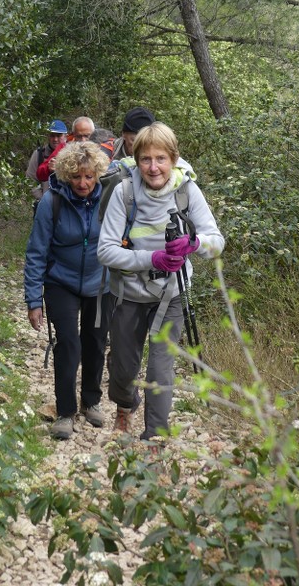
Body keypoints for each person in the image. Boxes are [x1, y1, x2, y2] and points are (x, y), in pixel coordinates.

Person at [97, 122, 225, 441]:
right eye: (145, 159)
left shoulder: (186, 190)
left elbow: (216, 240)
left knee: (160, 370)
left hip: (172, 295)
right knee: (124, 372)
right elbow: (105, 251)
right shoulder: (125, 192)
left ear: (173, 158)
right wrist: (151, 259)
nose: (153, 167)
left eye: (161, 159)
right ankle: (125, 405)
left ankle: (156, 436)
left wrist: (194, 243)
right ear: (136, 159)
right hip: (128, 295)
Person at [24, 141, 111, 440]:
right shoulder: (53, 202)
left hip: (100, 282)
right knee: (69, 344)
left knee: (96, 342)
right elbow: (36, 251)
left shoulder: (110, 200)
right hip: (60, 281)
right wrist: (34, 299)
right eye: (76, 177)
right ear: (66, 175)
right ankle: (64, 411)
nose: (83, 183)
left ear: (98, 174)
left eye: (89, 177)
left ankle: (91, 400)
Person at [25, 120, 68, 202]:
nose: (55, 139)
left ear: (66, 136)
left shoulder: (72, 154)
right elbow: (30, 180)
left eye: (59, 136)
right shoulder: (39, 154)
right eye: (52, 135)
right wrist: (42, 200)